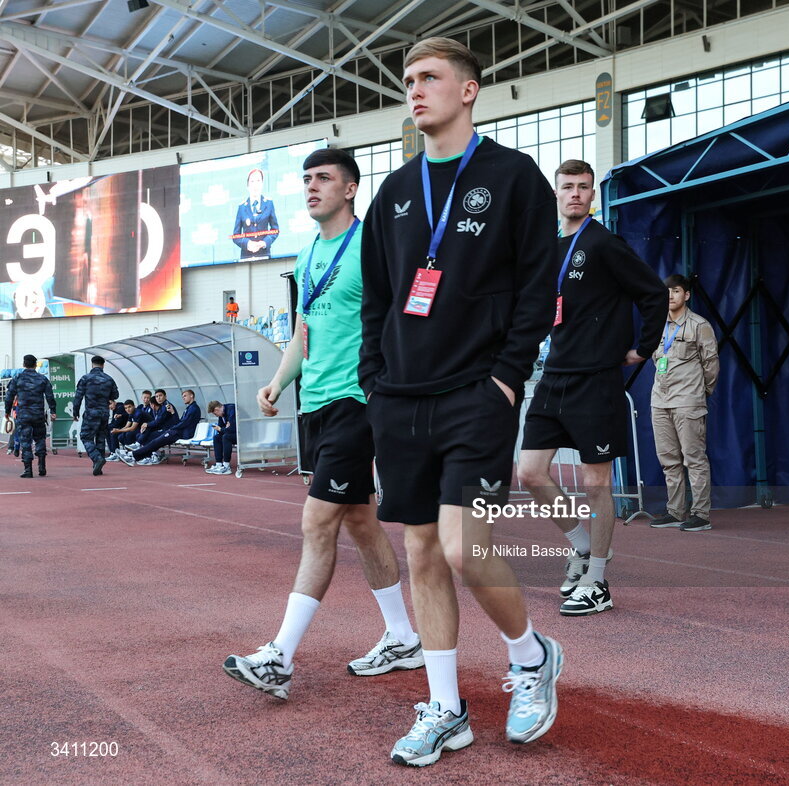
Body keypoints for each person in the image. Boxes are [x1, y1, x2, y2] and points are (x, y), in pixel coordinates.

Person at [361, 37, 563, 766]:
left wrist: (508, 376)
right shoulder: (393, 191)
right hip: (400, 397)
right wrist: (373, 377)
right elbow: (379, 297)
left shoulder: (513, 178)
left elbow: (540, 289)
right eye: (408, 80)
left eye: (430, 78)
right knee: (421, 550)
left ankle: (532, 657)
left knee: (462, 546)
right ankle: (446, 708)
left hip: (477, 394)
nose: (415, 90)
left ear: (469, 89)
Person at [222, 146, 422, 703]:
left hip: (359, 400)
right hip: (318, 405)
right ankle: (404, 638)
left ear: (351, 189)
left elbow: (402, 317)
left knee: (317, 522)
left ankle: (280, 657)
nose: (311, 187)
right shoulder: (309, 253)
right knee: (359, 521)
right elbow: (304, 332)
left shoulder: (370, 248)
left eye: (324, 178)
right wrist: (279, 382)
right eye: (307, 178)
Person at [517, 159, 665, 616]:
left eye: (584, 187)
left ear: (593, 195)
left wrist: (642, 348)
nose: (576, 194)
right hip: (554, 375)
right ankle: (582, 546)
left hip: (596, 379)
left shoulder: (603, 243)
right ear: (556, 194)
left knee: (595, 482)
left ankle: (598, 581)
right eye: (568, 187)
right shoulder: (547, 247)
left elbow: (654, 293)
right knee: (530, 473)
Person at [648, 275, 720, 531]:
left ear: (686, 295)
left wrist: (701, 392)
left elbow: (711, 363)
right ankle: (676, 511)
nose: (670, 296)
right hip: (660, 400)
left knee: (694, 458)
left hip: (688, 400)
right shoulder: (659, 325)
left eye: (676, 291)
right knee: (668, 459)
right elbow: (657, 359)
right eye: (667, 291)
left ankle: (701, 514)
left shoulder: (699, 325)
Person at [4, 354, 56, 478]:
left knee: (25, 441)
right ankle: (42, 466)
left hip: (24, 415)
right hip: (38, 414)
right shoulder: (42, 379)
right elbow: (50, 396)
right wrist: (53, 411)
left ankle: (28, 470)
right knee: (40, 439)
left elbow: (9, 396)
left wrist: (7, 412)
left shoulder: (17, 378)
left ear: (24, 364)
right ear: (35, 364)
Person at [118, 389, 199, 466]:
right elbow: (180, 421)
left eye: (185, 396)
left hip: (180, 433)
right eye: (156, 396)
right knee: (155, 442)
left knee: (155, 442)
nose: (183, 398)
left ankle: (133, 454)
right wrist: (173, 413)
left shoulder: (193, 408)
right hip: (176, 431)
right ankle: (135, 456)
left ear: (191, 396)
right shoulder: (188, 408)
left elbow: (184, 423)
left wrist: (172, 428)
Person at [73, 356, 118, 476]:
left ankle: (97, 458)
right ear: (103, 365)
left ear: (92, 364)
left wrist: (75, 411)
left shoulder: (86, 378)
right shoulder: (109, 379)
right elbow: (115, 394)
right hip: (104, 413)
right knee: (100, 438)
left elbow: (78, 397)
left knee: (86, 436)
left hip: (91, 413)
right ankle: (98, 467)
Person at [231, 168, 279, 260]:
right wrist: (247, 243)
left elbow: (275, 230)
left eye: (258, 181)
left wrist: (264, 242)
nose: (255, 185)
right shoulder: (242, 207)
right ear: (248, 186)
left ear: (262, 184)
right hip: (246, 256)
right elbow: (235, 235)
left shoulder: (269, 204)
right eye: (252, 181)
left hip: (264, 255)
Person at [205, 400, 236, 474]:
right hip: (232, 433)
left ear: (217, 409)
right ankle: (219, 464)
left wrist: (223, 429)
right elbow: (222, 429)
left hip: (243, 434)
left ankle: (226, 466)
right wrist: (224, 429)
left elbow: (233, 428)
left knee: (226, 437)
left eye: (215, 414)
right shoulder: (221, 414)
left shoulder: (231, 409)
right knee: (217, 437)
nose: (216, 415)